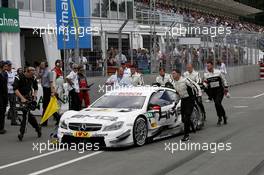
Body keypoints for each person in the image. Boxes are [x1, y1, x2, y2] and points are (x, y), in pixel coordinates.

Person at [13, 67, 41, 141]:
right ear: (27, 72)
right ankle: (36, 128)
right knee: (27, 114)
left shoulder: (33, 78)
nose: (32, 76)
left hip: (29, 97)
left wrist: (34, 97)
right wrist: (22, 98)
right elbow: (15, 89)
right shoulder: (18, 77)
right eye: (31, 74)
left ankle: (23, 132)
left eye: (33, 74)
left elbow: (36, 88)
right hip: (21, 97)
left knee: (26, 114)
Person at [171, 69, 197, 141]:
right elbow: (177, 94)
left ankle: (186, 135)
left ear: (179, 74)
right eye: (172, 74)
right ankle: (191, 124)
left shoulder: (185, 80)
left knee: (187, 117)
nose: (173, 75)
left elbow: (195, 87)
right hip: (183, 100)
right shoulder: (174, 83)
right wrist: (175, 103)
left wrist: (197, 97)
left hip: (190, 99)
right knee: (183, 119)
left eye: (174, 73)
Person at [203, 60, 228, 125]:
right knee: (217, 104)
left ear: (212, 65)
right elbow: (205, 83)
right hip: (212, 91)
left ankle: (221, 117)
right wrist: (203, 86)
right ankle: (223, 116)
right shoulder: (206, 74)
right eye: (207, 66)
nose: (207, 67)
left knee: (217, 102)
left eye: (208, 66)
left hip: (219, 90)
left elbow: (224, 79)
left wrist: (226, 88)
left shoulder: (218, 72)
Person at [39, 61, 59, 126]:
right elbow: (39, 77)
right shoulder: (43, 71)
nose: (41, 65)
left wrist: (52, 92)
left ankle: (44, 122)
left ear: (46, 65)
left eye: (42, 64)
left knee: (46, 106)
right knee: (47, 106)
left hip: (48, 89)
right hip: (44, 89)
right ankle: (58, 118)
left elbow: (51, 82)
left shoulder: (49, 71)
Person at [6, 61, 19, 125]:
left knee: (13, 106)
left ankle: (13, 121)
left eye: (10, 65)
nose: (10, 67)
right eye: (8, 65)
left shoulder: (14, 72)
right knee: (3, 107)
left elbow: (16, 79)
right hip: (6, 92)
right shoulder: (4, 73)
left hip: (13, 91)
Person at [0, 61, 8, 134]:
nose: (6, 67)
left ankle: (2, 127)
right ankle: (1, 128)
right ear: (1, 67)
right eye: (5, 66)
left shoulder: (5, 74)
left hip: (5, 95)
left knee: (3, 111)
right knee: (1, 111)